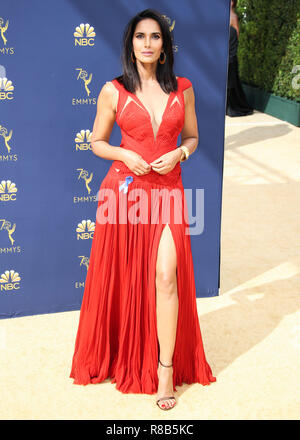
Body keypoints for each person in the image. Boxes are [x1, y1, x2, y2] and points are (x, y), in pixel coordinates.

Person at [69, 8, 216, 411]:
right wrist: (123, 153)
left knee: (166, 276)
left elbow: (193, 137)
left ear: (165, 48)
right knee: (128, 277)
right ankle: (127, 353)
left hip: (168, 190)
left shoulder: (182, 88)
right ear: (130, 45)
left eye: (155, 37)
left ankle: (164, 369)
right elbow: (96, 141)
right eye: (140, 37)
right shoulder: (112, 90)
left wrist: (180, 154)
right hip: (126, 193)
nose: (147, 43)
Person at [226, 0, 253, 116]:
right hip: (224, 54)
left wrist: (232, 52)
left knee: (232, 82)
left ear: (233, 3)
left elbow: (236, 34)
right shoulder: (222, 15)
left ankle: (233, 107)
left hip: (231, 55)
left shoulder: (233, 16)